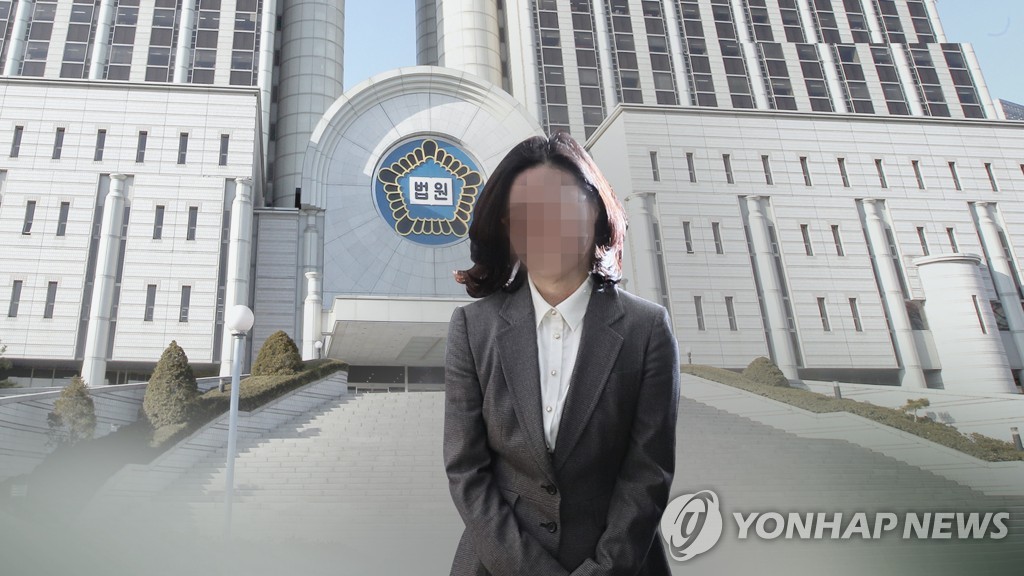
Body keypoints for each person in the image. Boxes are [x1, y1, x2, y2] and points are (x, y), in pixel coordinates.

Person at [443, 132, 680, 576]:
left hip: (618, 563)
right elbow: (466, 472)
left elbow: (648, 474)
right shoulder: (473, 329)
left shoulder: (647, 330)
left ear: (594, 211)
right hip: (498, 562)